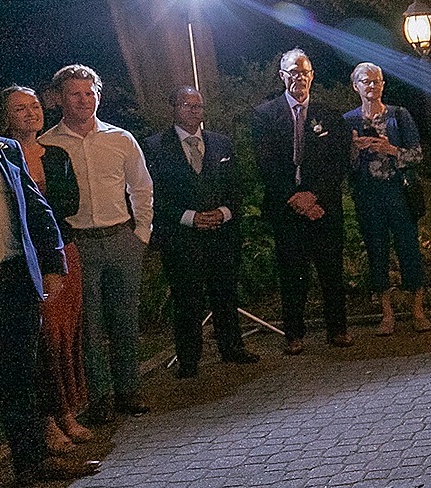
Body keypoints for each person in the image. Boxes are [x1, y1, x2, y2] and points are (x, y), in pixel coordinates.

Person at [0, 68, 97, 488]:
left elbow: (38, 210)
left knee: (19, 376)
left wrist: (54, 264)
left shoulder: (3, 148)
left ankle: (31, 461)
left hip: (12, 283)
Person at [40, 64, 154, 422]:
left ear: (98, 96)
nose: (84, 100)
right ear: (60, 99)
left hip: (121, 238)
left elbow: (141, 187)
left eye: (89, 93)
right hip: (79, 245)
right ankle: (100, 398)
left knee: (124, 318)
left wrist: (142, 234)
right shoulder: (47, 144)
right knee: (88, 326)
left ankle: (129, 390)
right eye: (75, 94)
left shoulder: (121, 138)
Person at [0, 86, 91, 452]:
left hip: (60, 252)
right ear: (6, 116)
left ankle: (67, 413)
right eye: (20, 108)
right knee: (42, 344)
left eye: (34, 106)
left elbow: (69, 202)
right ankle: (49, 420)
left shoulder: (56, 154)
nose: (30, 113)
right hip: (24, 259)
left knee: (65, 339)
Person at [142, 87, 257, 378]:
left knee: (225, 294)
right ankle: (189, 360)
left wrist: (224, 213)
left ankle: (232, 347)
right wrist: (190, 218)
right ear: (174, 108)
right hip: (182, 238)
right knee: (187, 300)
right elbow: (153, 193)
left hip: (221, 234)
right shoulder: (155, 147)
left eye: (199, 106)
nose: (194, 111)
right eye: (187, 105)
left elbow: (236, 187)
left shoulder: (221, 144)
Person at [251, 49, 353, 354]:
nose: (299, 78)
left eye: (304, 72)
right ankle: (294, 335)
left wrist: (313, 196)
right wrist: (294, 198)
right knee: (293, 275)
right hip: (287, 208)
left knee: (331, 272)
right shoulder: (265, 115)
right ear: (282, 76)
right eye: (293, 72)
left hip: (323, 207)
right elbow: (264, 163)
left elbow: (339, 162)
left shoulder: (330, 115)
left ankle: (338, 330)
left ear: (312, 76)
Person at [344, 63, 428, 335]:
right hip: (369, 196)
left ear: (383, 85)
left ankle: (418, 311)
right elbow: (342, 166)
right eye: (365, 82)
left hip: (399, 192)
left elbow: (417, 155)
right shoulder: (349, 122)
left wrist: (390, 149)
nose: (372, 86)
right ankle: (387, 315)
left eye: (376, 81)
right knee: (377, 253)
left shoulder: (399, 115)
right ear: (355, 85)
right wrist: (355, 151)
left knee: (409, 250)